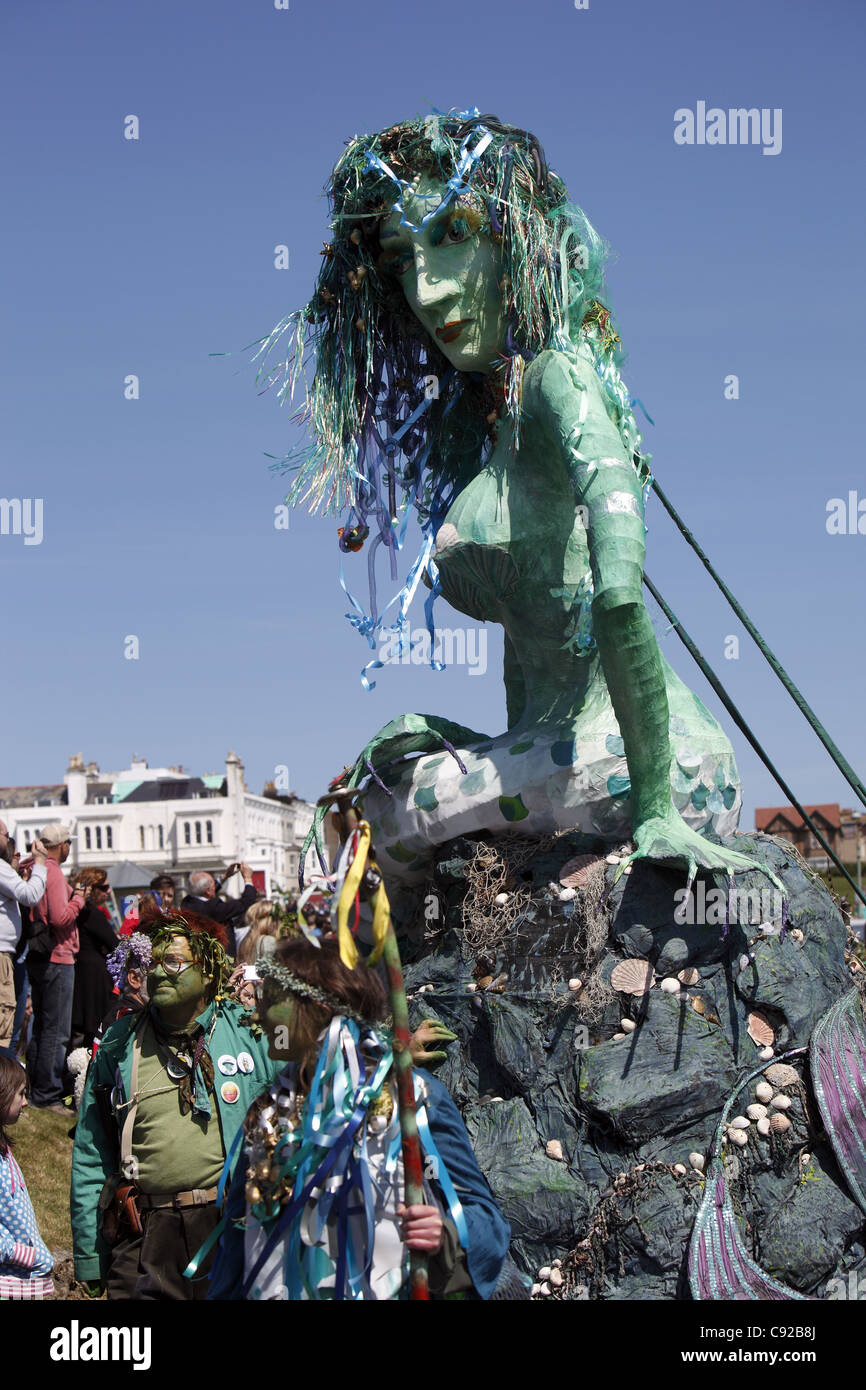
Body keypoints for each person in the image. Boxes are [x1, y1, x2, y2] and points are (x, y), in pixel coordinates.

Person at [270, 109, 775, 894]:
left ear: (515, 239)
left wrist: (655, 810)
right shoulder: (499, 427)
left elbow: (617, 588)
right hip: (580, 751)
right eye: (403, 256)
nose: (426, 286)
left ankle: (400, 1008)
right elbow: (531, 675)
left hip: (647, 767)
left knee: (390, 811)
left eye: (454, 232)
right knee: (391, 767)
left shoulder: (557, 380)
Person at [206, 936, 512, 1300]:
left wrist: (444, 1233)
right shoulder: (268, 1111)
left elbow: (487, 1222)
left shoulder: (412, 1098)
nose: (257, 1014)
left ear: (316, 1008)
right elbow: (235, 1242)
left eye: (270, 1000)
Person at [70, 909, 280, 1299]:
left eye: (173, 961)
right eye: (152, 961)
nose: (158, 971)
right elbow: (91, 1149)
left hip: (229, 1225)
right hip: (144, 1231)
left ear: (209, 971)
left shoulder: (248, 1030)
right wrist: (88, 1252)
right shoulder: (120, 1041)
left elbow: (307, 1074)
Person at [26, 824, 85, 1109]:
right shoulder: (54, 872)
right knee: (56, 1030)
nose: (69, 848)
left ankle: (36, 1087)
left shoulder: (35, 869)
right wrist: (78, 900)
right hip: (58, 955)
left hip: (38, 955)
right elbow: (61, 917)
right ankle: (48, 1093)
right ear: (61, 845)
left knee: (41, 1026)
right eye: (68, 844)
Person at [0, 1055, 54, 1298]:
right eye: (20, 1094)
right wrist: (21, 1254)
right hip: (7, 1280)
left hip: (19, 1279)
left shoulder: (3, 1150)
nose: (25, 1103)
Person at [0, 823, 46, 1059]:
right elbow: (31, 895)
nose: (9, 841)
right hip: (2, 957)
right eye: (6, 836)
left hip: (8, 956)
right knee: (4, 1026)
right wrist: (39, 863)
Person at [70, 868, 118, 1051]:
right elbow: (113, 943)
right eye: (104, 887)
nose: (108, 892)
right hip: (94, 975)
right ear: (93, 889)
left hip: (83, 968)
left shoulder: (80, 910)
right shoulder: (91, 913)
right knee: (96, 1029)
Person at [181, 865, 258, 958]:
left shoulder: (186, 902)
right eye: (213, 884)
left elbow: (204, 892)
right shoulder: (214, 908)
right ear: (208, 891)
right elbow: (245, 902)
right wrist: (248, 878)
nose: (215, 886)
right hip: (221, 959)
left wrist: (225, 876)